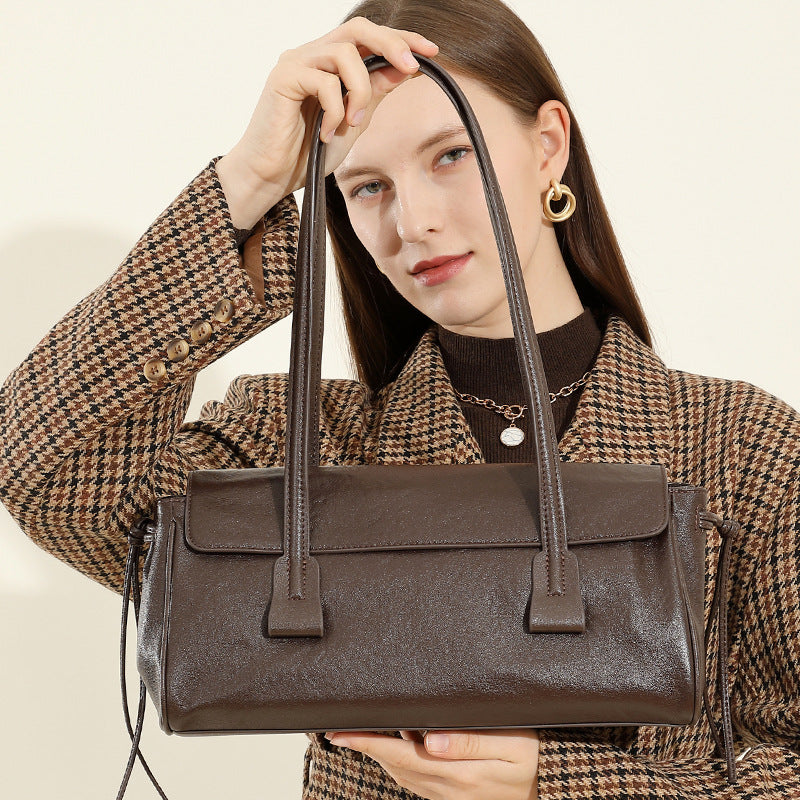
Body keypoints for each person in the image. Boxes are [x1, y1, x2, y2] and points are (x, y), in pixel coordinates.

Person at [0, 0, 798, 797]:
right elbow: (47, 473)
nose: (411, 222)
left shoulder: (744, 451)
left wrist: (561, 786)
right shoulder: (300, 448)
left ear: (548, 147)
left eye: (451, 156)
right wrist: (246, 182)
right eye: (367, 186)